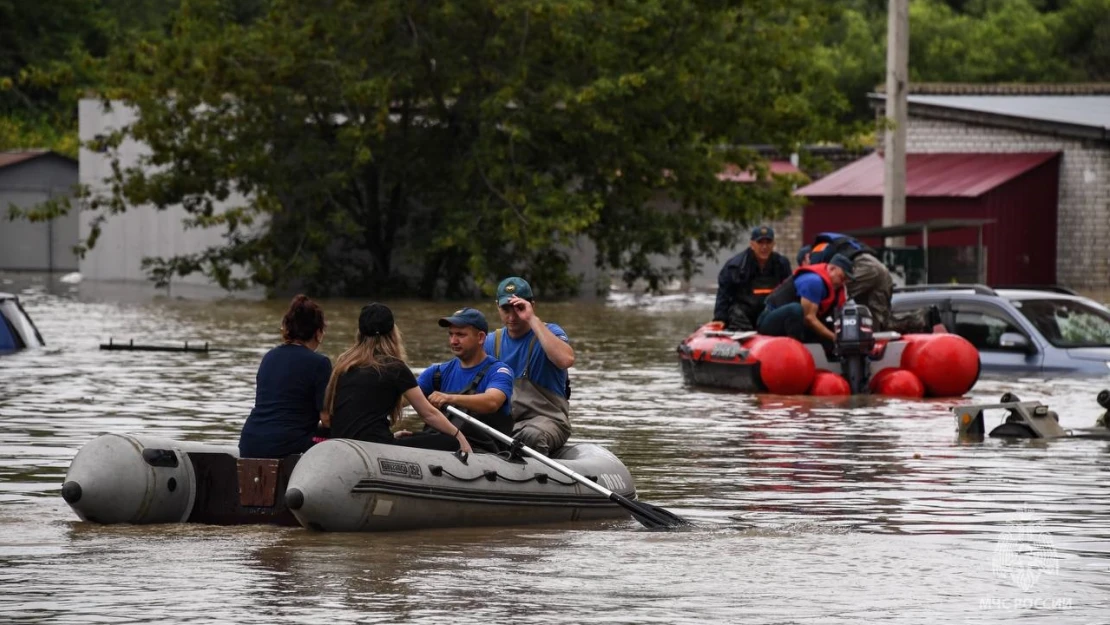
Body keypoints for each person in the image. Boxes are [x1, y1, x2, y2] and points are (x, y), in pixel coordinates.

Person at [324, 303, 472, 453]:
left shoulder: (344, 364)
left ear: (360, 333)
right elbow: (428, 414)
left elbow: (357, 418)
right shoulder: (394, 367)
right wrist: (459, 437)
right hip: (375, 447)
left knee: (412, 436)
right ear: (393, 333)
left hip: (342, 443)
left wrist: (391, 436)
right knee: (449, 442)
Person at [486, 276, 574, 455]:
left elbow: (566, 360)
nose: (512, 316)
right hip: (505, 424)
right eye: (505, 309)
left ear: (531, 305)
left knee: (530, 436)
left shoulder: (550, 332)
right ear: (497, 306)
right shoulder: (490, 341)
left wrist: (532, 319)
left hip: (547, 420)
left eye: (518, 308)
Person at [407, 307, 515, 453]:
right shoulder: (436, 373)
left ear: (481, 338)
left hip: (484, 451)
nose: (453, 341)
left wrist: (449, 398)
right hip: (441, 444)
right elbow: (402, 399)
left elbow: (492, 402)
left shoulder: (499, 371)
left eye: (460, 335)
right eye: (450, 334)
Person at [239, 294, 333, 459]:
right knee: (339, 438)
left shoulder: (269, 357)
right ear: (318, 333)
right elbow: (326, 419)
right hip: (287, 446)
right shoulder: (320, 363)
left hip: (250, 441)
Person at [798, 232, 894, 331]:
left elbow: (821, 280)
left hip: (862, 267)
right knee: (876, 318)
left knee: (835, 293)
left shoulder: (816, 252)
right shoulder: (828, 246)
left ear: (806, 257)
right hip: (877, 267)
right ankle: (907, 324)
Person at [711, 225, 793, 331]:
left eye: (768, 243)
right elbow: (724, 294)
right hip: (743, 314)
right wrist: (720, 318)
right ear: (752, 244)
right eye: (760, 243)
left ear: (773, 244)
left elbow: (789, 291)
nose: (764, 247)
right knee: (736, 311)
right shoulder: (735, 266)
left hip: (769, 313)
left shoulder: (782, 264)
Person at [757, 254, 853, 344]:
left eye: (846, 280)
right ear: (832, 269)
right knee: (796, 309)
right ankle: (795, 350)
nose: (843, 283)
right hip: (769, 320)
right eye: (841, 278)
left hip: (796, 324)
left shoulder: (837, 289)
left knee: (828, 325)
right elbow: (809, 318)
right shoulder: (813, 281)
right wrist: (835, 337)